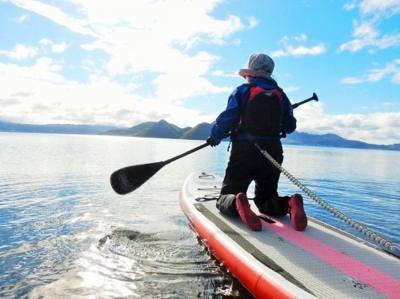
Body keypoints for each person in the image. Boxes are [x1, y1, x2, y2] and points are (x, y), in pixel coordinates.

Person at [207, 53, 307, 232]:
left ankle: (237, 200)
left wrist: (215, 136)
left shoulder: (242, 91)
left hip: (245, 151)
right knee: (266, 200)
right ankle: (289, 203)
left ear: (250, 72)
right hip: (273, 152)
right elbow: (290, 126)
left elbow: (226, 120)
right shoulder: (281, 95)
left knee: (226, 196)